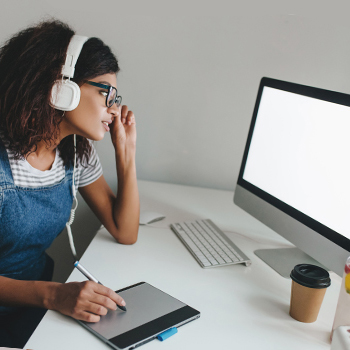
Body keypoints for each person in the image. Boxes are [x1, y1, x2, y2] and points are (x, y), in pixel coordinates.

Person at [0, 20, 140, 348]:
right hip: (40, 299)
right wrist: (55, 295)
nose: (114, 109)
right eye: (106, 94)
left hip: (32, 307)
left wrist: (126, 155)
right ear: (61, 88)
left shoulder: (76, 151)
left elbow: (125, 230)